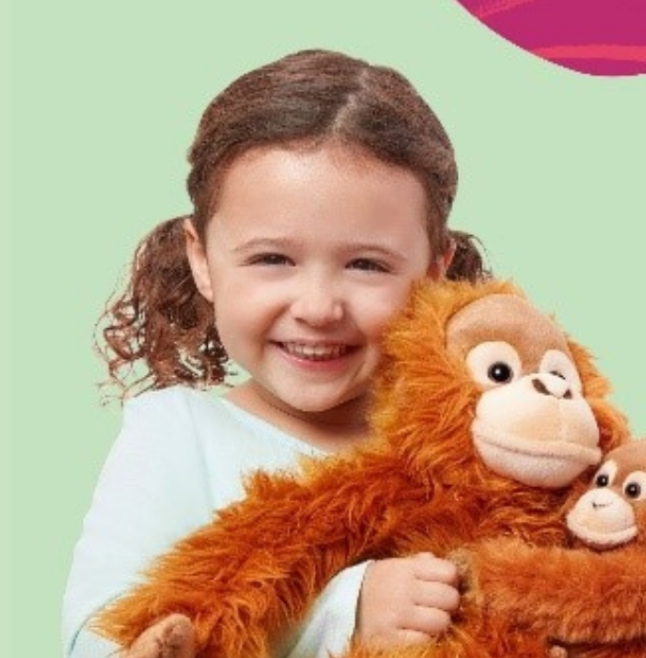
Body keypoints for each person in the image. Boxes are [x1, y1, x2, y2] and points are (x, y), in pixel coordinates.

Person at [61, 49, 490, 658]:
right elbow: (101, 639)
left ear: (434, 270)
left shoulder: (486, 443)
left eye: (366, 265)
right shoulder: (178, 434)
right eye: (272, 259)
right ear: (202, 259)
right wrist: (344, 611)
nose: (318, 306)